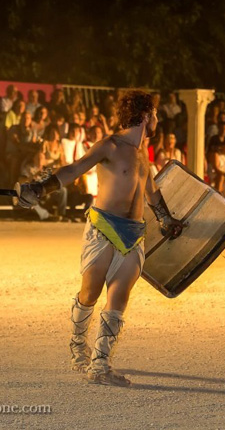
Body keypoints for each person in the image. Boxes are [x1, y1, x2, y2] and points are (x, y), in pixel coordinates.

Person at [16, 90, 183, 387]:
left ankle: (100, 364)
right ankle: (78, 347)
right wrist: (42, 188)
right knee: (90, 294)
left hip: (133, 234)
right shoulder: (110, 145)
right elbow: (75, 168)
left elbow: (152, 192)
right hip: (103, 227)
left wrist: (167, 218)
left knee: (119, 297)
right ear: (145, 116)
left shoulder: (143, 155)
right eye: (155, 114)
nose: (157, 119)